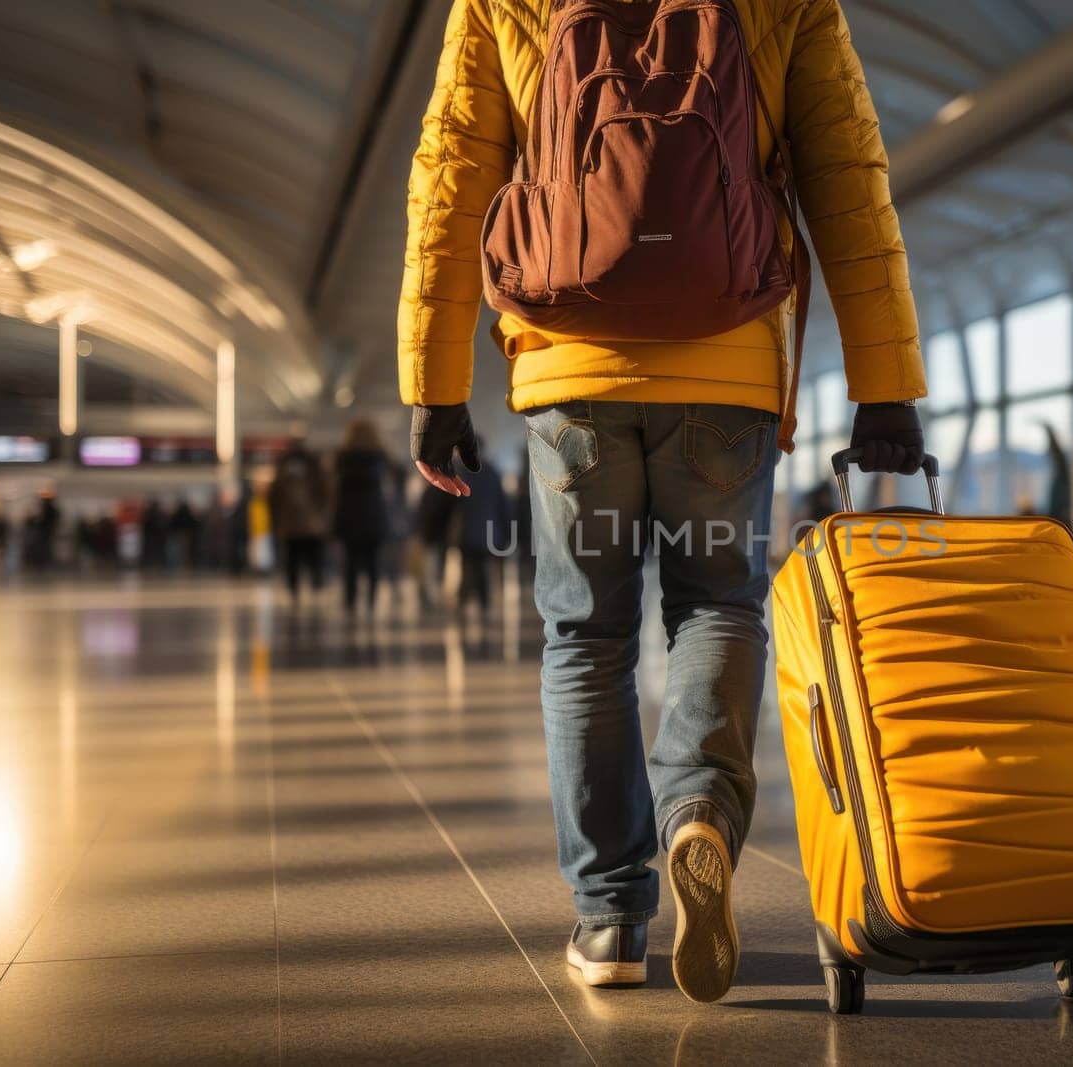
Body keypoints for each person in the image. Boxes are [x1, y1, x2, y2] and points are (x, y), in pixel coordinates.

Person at [400, 0, 926, 1002]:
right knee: (718, 603)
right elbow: (847, 178)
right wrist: (883, 379)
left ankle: (608, 917)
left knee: (585, 635)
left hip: (567, 370)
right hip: (726, 365)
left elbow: (450, 181)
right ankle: (697, 811)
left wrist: (431, 384)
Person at [332, 419, 394, 617]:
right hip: (374, 516)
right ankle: (371, 601)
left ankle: (350, 602)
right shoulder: (381, 457)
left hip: (349, 516)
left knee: (350, 562)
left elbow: (336, 489)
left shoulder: (342, 458)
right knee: (373, 562)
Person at [268, 440, 329, 603]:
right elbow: (325, 494)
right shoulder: (315, 469)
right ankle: (316, 586)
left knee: (292, 558)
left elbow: (273, 498)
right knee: (314, 557)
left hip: (289, 524)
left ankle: (293, 590)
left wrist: (276, 520)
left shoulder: (283, 470)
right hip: (312, 523)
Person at [455, 438, 510, 616]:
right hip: (489, 531)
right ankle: (483, 605)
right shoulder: (492, 472)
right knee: (482, 569)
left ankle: (464, 603)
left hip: (465, 531)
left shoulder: (459, 472)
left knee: (468, 568)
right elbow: (503, 505)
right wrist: (507, 533)